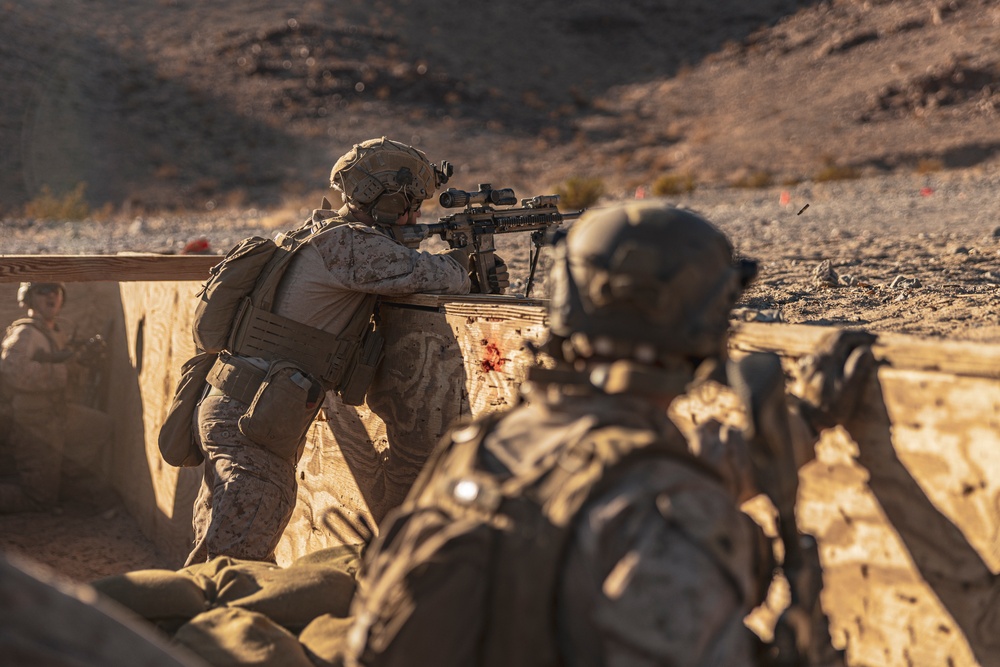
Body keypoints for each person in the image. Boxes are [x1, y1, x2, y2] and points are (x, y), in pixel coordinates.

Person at [344, 200, 874, 666]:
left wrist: (798, 425)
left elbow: (596, 484)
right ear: (709, 318)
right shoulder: (666, 511)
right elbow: (635, 497)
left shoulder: (484, 445)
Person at [186, 137, 508, 566]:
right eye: (410, 205)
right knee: (232, 568)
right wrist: (464, 258)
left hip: (241, 410)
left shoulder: (318, 232)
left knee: (218, 556)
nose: (414, 217)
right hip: (251, 421)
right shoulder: (350, 245)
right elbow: (434, 274)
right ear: (386, 200)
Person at [0, 281, 113, 513]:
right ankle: (48, 483)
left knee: (101, 427)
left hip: (56, 414)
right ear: (29, 299)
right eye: (43, 291)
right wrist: (64, 371)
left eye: (56, 291)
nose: (51, 295)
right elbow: (13, 372)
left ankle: (62, 477)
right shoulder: (26, 333)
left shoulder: (53, 332)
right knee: (38, 499)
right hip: (32, 422)